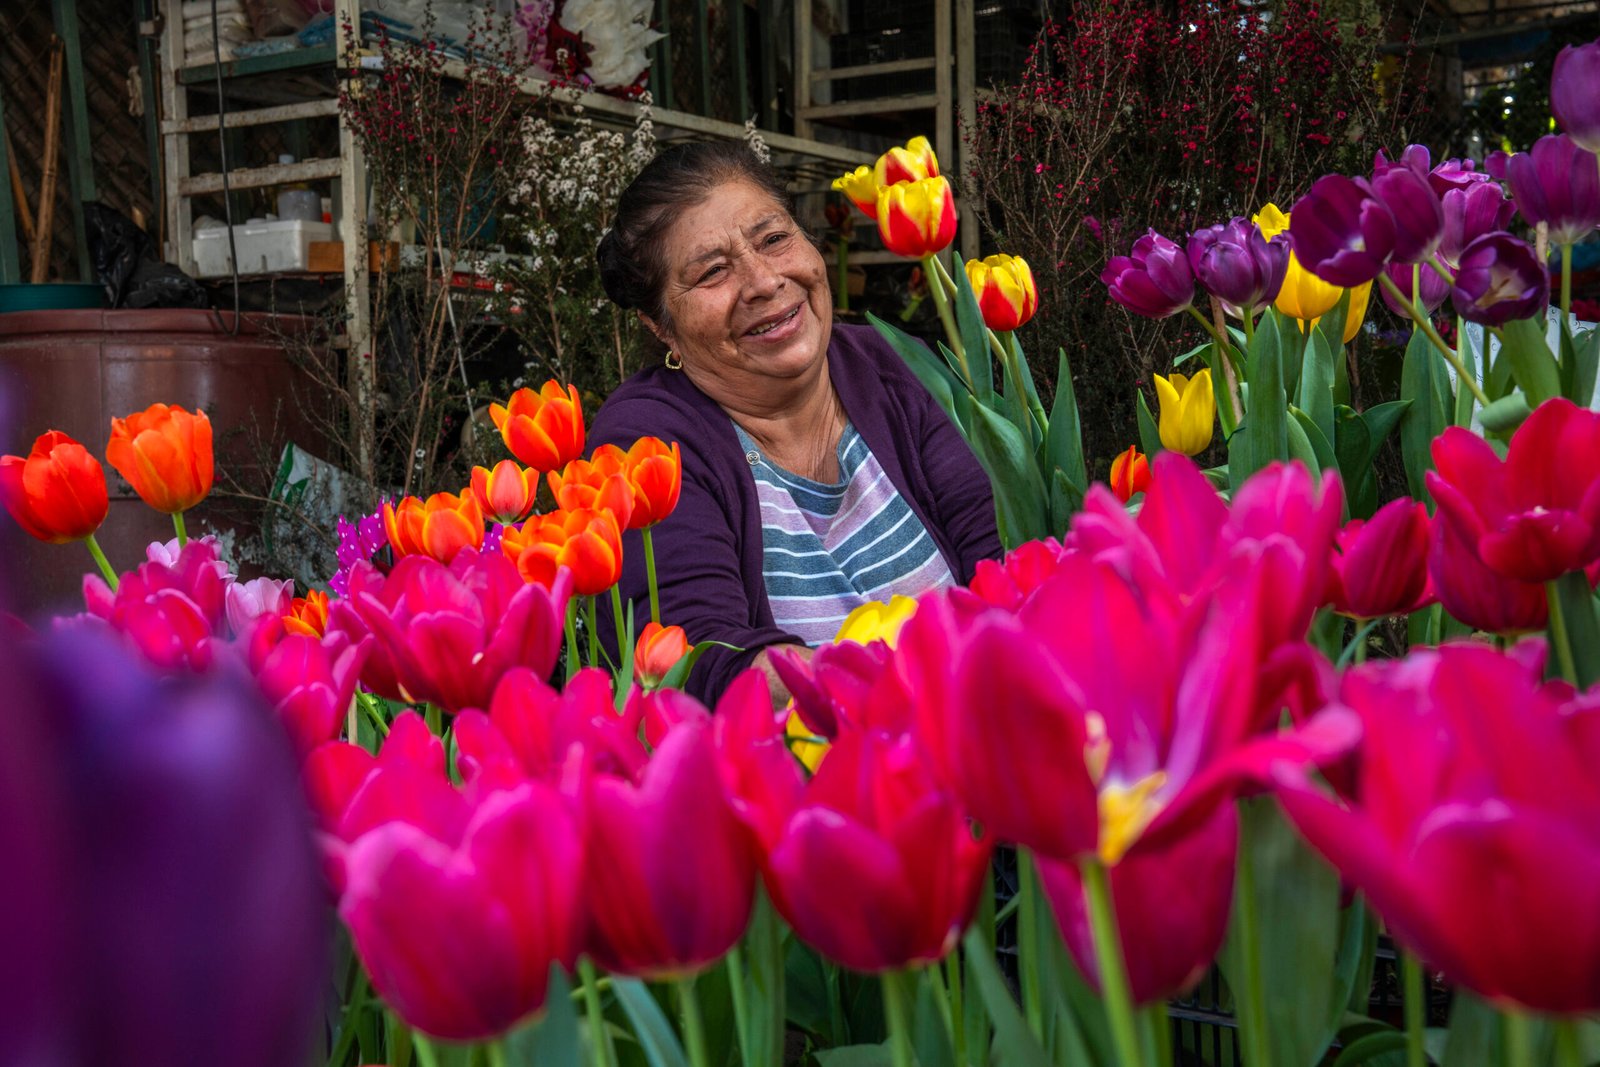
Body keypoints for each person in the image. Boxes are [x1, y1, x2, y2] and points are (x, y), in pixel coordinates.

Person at [591, 140, 1000, 706]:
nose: (764, 281)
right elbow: (698, 658)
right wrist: (899, 690)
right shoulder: (648, 442)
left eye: (775, 239)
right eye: (713, 272)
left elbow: (999, 558)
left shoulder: (891, 365)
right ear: (660, 326)